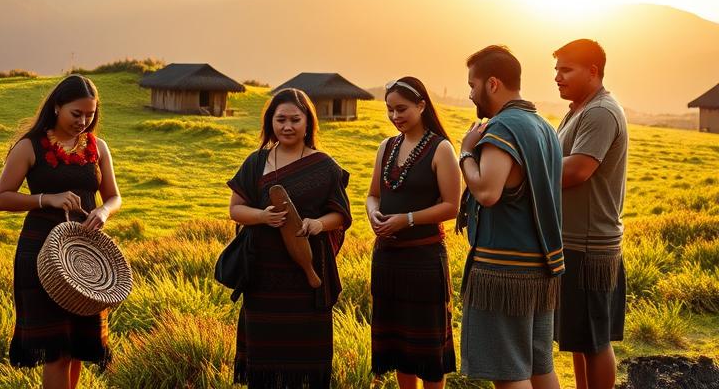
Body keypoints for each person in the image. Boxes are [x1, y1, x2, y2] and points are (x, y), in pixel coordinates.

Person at [0, 75, 121, 389]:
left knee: (77, 347)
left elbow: (114, 196)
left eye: (90, 115)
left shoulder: (98, 148)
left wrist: (103, 211)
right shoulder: (29, 146)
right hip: (41, 255)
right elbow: (1, 198)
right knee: (56, 350)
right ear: (57, 107)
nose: (83, 121)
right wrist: (46, 199)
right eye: (76, 114)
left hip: (85, 257)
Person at [227, 87, 352, 389]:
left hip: (307, 280)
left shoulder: (323, 166)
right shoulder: (256, 162)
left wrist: (317, 224)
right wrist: (262, 217)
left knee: (306, 364)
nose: (287, 126)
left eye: (295, 119)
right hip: (262, 280)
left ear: (308, 122)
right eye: (280, 119)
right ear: (270, 122)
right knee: (265, 366)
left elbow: (341, 215)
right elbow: (235, 209)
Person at [457, 46, 563, 389]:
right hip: (540, 266)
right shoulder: (544, 127)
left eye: (472, 85)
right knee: (538, 366)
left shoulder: (502, 128)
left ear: (492, 83)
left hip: (504, 270)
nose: (470, 93)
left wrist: (465, 153)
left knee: (509, 372)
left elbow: (487, 191)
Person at [367, 76, 460, 389]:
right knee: (396, 347)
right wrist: (373, 215)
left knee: (427, 350)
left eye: (402, 109)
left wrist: (405, 220)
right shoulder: (386, 147)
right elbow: (373, 195)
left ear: (422, 105)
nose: (395, 117)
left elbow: (451, 206)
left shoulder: (441, 148)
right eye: (390, 110)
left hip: (423, 261)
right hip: (387, 260)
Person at [552, 39, 628, 389]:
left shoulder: (600, 112)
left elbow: (578, 169)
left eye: (565, 69)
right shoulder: (578, 109)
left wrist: (526, 169)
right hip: (575, 242)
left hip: (591, 245)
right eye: (556, 69)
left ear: (593, 71)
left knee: (595, 341)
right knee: (580, 339)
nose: (557, 77)